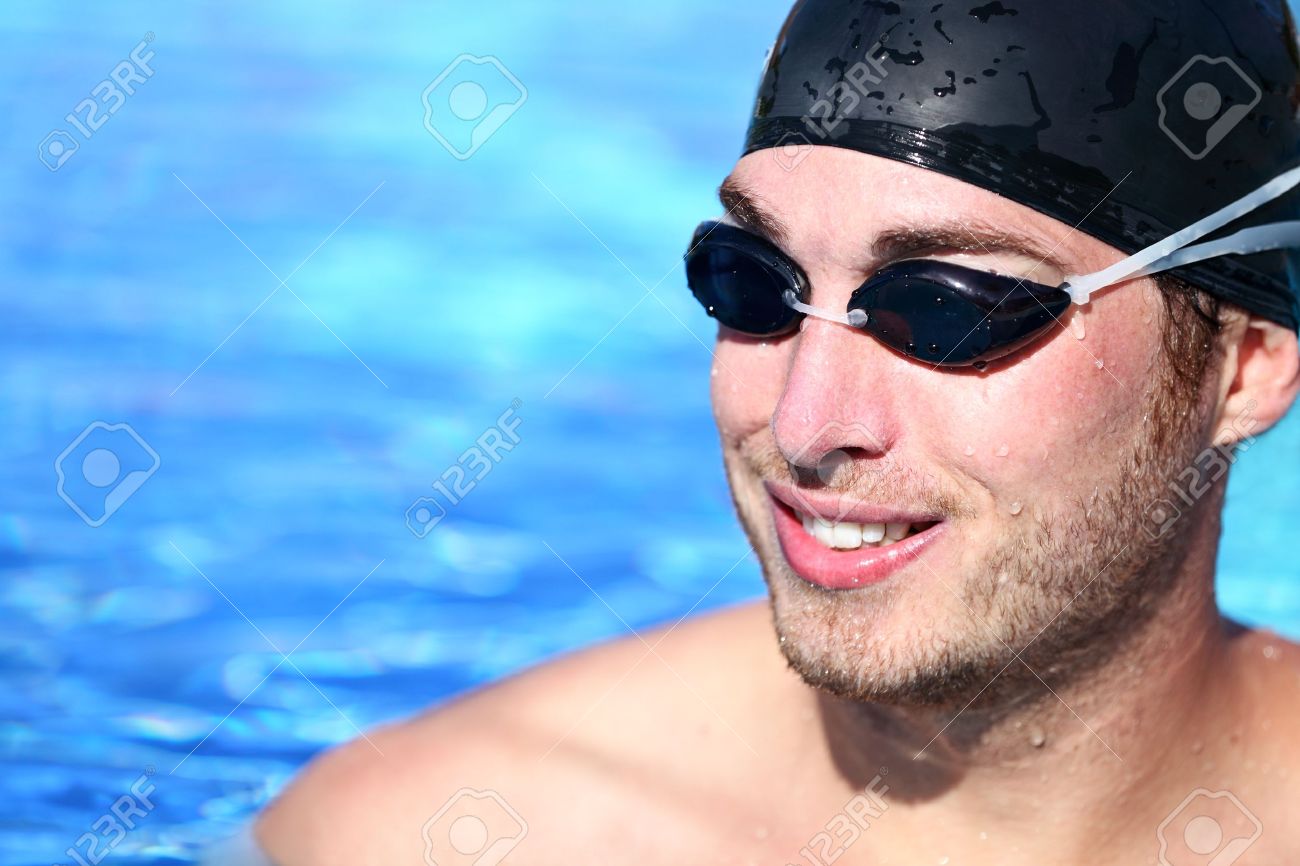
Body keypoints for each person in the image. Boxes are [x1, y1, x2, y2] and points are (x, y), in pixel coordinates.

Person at [253, 1, 1300, 863]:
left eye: (949, 306)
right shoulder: (430, 832)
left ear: (1242, 366)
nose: (806, 423)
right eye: (754, 286)